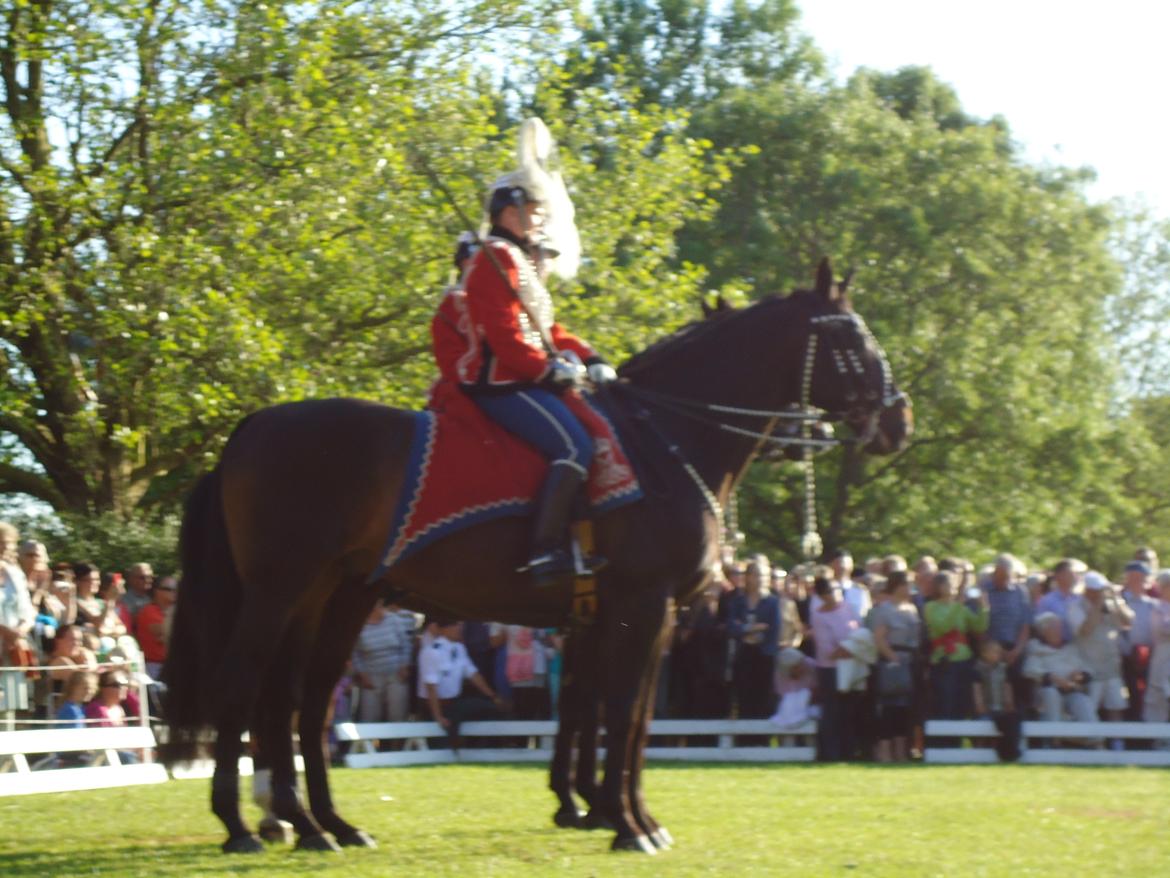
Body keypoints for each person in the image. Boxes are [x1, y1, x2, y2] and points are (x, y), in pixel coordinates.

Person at [454, 118, 616, 586]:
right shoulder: (496, 258)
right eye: (535, 209)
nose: (543, 217)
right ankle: (543, 550)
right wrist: (547, 372)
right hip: (499, 380)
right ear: (510, 212)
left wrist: (589, 357)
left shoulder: (518, 262)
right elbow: (505, 337)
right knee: (573, 445)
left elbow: (547, 328)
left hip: (521, 373)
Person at [418, 619, 505, 749]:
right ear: (443, 629)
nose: (460, 627)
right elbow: (431, 688)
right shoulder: (432, 652)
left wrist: (493, 697)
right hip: (434, 708)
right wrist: (438, 716)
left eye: (460, 624)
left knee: (490, 708)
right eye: (454, 624)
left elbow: (474, 675)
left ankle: (485, 748)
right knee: (441, 749)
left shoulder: (460, 648)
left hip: (454, 705)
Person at [1069, 572, 1133, 735]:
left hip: (1112, 667)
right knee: (1090, 710)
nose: (1100, 594)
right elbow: (1085, 630)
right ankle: (1094, 743)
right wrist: (1097, 606)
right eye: (1096, 590)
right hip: (1089, 667)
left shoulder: (1111, 605)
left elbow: (1129, 622)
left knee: (1116, 707)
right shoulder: (1075, 607)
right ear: (1087, 590)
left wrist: (1117, 600)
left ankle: (1117, 743)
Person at [869, 570, 921, 762]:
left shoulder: (912, 609)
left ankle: (901, 750)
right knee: (889, 707)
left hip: (910, 661)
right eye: (907, 585)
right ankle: (884, 750)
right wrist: (893, 658)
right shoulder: (884, 610)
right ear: (897, 586)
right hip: (892, 663)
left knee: (904, 709)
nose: (910, 589)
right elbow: (879, 638)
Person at [810, 570, 860, 761]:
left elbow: (860, 629)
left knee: (848, 711)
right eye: (831, 591)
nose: (836, 593)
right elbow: (826, 649)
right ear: (822, 596)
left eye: (837, 589)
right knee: (831, 711)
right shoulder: (818, 616)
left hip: (851, 666)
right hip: (830, 670)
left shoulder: (847, 607)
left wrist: (855, 648)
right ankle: (830, 753)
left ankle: (849, 751)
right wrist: (849, 649)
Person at [924, 570, 988, 720]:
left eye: (953, 583)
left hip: (963, 660)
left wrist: (984, 608)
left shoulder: (961, 608)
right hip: (943, 661)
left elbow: (979, 627)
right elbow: (943, 627)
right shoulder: (931, 607)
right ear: (938, 586)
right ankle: (943, 741)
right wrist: (958, 606)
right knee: (945, 703)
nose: (952, 586)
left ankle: (958, 741)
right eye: (947, 583)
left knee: (961, 703)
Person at [1023, 612, 1096, 724]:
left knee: (1083, 702)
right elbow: (1029, 670)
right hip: (1047, 694)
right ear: (1044, 632)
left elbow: (1087, 669)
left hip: (1072, 691)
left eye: (1059, 628)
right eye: (1054, 628)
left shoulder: (1070, 649)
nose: (1059, 632)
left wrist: (1080, 675)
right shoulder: (1036, 649)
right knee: (1051, 694)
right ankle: (1053, 736)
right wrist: (1054, 678)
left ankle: (1093, 738)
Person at [352, 601, 417, 727]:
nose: (381, 609)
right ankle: (368, 745)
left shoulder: (393, 620)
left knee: (398, 716)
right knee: (369, 718)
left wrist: (404, 665)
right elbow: (355, 654)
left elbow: (406, 645)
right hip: (371, 677)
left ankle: (397, 745)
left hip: (396, 675)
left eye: (381, 606)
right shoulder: (358, 624)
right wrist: (362, 673)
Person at [983, 553, 1033, 711]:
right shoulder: (984, 590)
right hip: (991, 650)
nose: (1001, 579)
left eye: (1006, 576)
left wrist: (1017, 650)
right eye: (998, 575)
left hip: (1015, 648)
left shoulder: (1021, 592)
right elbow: (979, 622)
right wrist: (992, 650)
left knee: (1019, 684)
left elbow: (1025, 623)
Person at [0, 521, 37, 714]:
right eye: (0, 542)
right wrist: (5, 632)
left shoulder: (15, 574)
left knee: (10, 708)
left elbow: (27, 611)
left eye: (8, 542)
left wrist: (18, 633)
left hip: (14, 647)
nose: (5, 547)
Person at [1119, 560, 1156, 723]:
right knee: (1123, 699)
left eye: (1140, 577)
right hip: (1122, 658)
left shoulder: (1153, 605)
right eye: (1132, 577)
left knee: (1145, 697)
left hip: (1147, 659)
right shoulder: (1118, 602)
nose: (1136, 581)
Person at [136, 576, 177, 679]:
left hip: (174, 665)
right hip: (156, 667)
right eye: (169, 589)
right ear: (157, 591)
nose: (175, 592)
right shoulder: (149, 611)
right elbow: (167, 631)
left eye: (177, 589)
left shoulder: (176, 612)